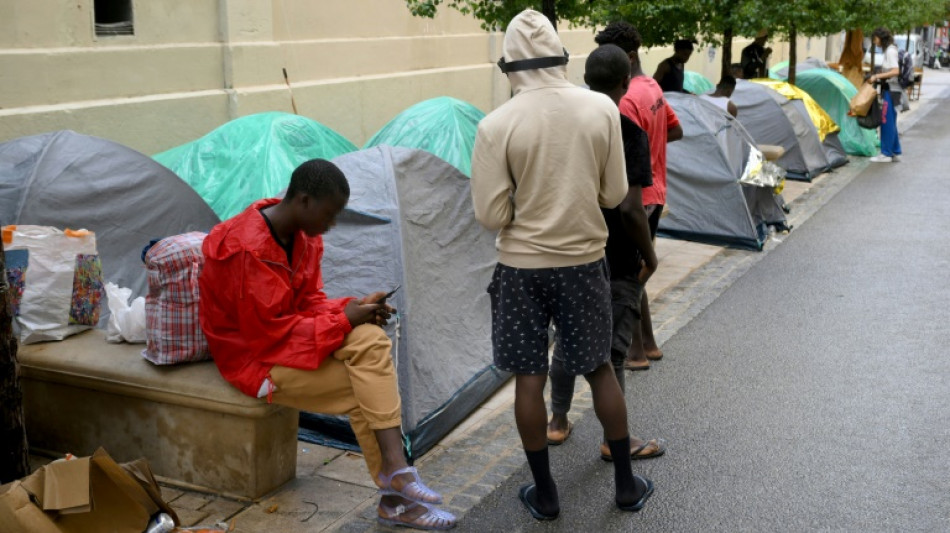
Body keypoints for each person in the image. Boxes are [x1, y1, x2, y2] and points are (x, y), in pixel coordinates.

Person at [198, 159, 456, 531]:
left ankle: (398, 476)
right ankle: (397, 495)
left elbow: (308, 305)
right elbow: (268, 337)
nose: (332, 224)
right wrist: (344, 319)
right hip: (253, 361)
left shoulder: (303, 236)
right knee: (362, 387)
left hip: (284, 341)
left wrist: (354, 308)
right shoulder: (246, 250)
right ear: (304, 200)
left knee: (369, 337)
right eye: (330, 213)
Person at [471, 9, 655, 521]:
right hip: (582, 261)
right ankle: (624, 485)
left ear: (509, 66)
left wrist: (519, 207)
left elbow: (490, 214)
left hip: (520, 268)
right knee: (600, 370)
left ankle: (546, 495)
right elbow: (615, 192)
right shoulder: (599, 109)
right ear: (562, 57)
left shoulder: (496, 123)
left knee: (528, 378)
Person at [546, 44, 667, 463]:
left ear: (585, 80)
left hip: (566, 251)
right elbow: (632, 209)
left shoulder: (566, 130)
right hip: (613, 257)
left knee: (565, 341)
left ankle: (557, 422)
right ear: (625, 81)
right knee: (612, 352)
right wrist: (649, 256)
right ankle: (616, 441)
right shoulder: (625, 131)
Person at [594, 21, 683, 374]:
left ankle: (634, 351)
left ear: (629, 58)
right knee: (637, 268)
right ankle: (648, 344)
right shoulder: (654, 88)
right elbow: (676, 129)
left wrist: (642, 152)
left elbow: (623, 144)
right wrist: (654, 147)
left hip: (635, 195)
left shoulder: (627, 97)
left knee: (629, 274)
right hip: (656, 191)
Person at [868, 27, 903, 163]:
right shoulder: (891, 50)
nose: (874, 41)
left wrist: (877, 76)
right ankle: (895, 151)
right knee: (890, 121)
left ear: (881, 38)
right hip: (892, 90)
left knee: (886, 121)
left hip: (891, 90)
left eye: (875, 38)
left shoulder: (890, 51)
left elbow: (895, 71)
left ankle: (886, 154)